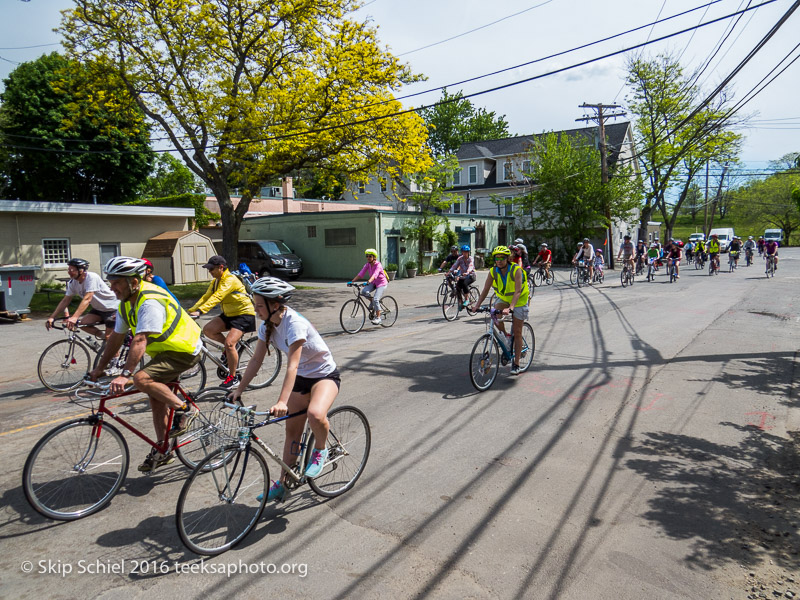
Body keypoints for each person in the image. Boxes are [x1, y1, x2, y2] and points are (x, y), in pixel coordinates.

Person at [230, 277, 340, 503]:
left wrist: (282, 401)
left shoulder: (294, 324)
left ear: (275, 305)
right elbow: (255, 361)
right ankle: (283, 483)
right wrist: (238, 389)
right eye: (255, 304)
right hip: (301, 380)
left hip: (324, 375)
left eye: (259, 305)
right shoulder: (266, 325)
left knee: (315, 415)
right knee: (292, 433)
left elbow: (293, 365)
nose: (255, 310)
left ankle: (321, 450)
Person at [90, 257, 204, 472]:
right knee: (155, 396)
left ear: (133, 282)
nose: (111, 287)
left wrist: (125, 374)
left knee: (141, 378)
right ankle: (164, 450)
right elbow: (116, 337)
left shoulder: (149, 301)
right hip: (165, 351)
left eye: (116, 283)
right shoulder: (126, 303)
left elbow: (140, 339)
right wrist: (98, 369)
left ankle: (185, 409)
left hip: (184, 349)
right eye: (110, 282)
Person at [188, 255, 256, 389]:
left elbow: (217, 297)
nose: (210, 272)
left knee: (230, 343)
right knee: (208, 330)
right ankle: (228, 350)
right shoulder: (215, 281)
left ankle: (233, 377)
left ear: (221, 267)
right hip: (230, 314)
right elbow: (206, 297)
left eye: (211, 269)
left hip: (244, 314)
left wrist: (201, 312)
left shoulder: (230, 280)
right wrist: (190, 311)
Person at [470, 246, 530, 376]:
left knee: (518, 331)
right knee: (494, 313)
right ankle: (506, 336)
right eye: (496, 258)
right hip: (504, 299)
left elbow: (518, 291)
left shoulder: (516, 270)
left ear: (508, 258)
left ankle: (516, 363)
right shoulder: (493, 271)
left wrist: (511, 308)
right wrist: (477, 305)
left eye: (502, 258)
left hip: (519, 300)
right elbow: (485, 289)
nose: (499, 260)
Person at [45, 258, 119, 340]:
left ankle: (112, 344)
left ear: (81, 270)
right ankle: (104, 339)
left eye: (72, 270)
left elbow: (87, 299)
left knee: (110, 339)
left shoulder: (92, 277)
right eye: (68, 269)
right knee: (82, 324)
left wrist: (74, 317)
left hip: (112, 308)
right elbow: (65, 300)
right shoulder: (73, 283)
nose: (69, 272)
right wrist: (52, 317)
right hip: (99, 309)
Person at [350, 248, 388, 325]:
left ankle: (378, 318)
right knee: (364, 291)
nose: (368, 258)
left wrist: (368, 282)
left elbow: (375, 275)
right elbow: (361, 274)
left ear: (374, 257)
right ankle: (372, 302)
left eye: (370, 256)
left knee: (376, 299)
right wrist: (352, 281)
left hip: (381, 283)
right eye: (367, 256)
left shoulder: (378, 265)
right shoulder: (367, 265)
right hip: (374, 283)